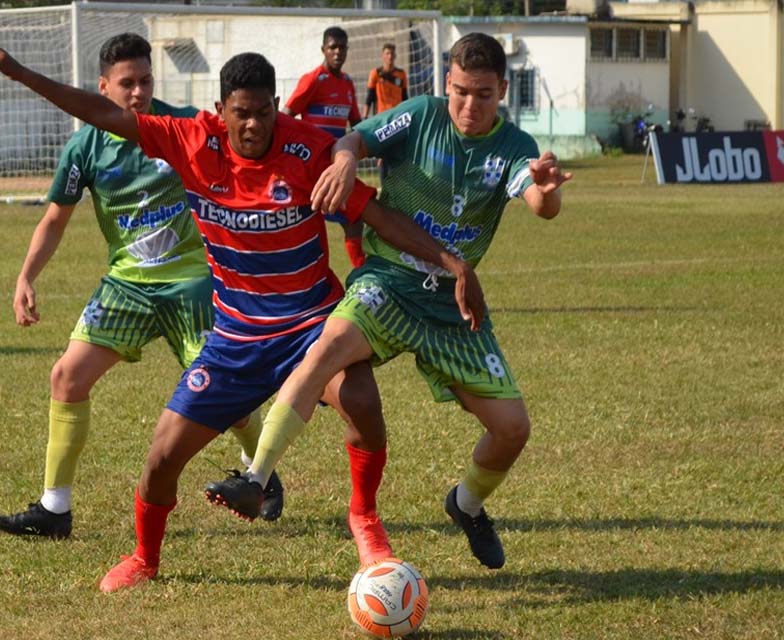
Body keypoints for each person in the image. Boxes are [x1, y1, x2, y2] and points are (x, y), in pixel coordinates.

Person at [0, 36, 482, 591]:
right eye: (242, 114)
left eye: (264, 113)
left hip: (310, 324)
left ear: (277, 107)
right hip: (233, 335)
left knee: (360, 398)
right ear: (220, 112)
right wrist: (19, 71)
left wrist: (454, 265)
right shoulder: (190, 140)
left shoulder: (308, 151)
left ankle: (365, 518)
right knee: (163, 457)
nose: (254, 125)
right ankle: (146, 557)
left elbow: (378, 215)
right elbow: (100, 112)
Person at [205, 32, 572, 571]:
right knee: (326, 347)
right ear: (447, 82)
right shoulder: (421, 115)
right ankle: (255, 478)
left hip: (453, 307)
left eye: (485, 95)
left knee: (513, 428)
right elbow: (354, 138)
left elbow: (541, 204)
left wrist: (547, 186)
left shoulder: (513, 146)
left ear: (502, 93)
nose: (471, 106)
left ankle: (466, 505)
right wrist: (347, 160)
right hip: (389, 281)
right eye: (462, 92)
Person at [0, 33, 284, 540]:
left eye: (145, 80)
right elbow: (55, 219)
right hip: (128, 286)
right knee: (67, 377)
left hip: (193, 284)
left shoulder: (184, 126)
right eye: (127, 83)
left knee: (226, 399)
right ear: (104, 86)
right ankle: (55, 509)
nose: (139, 92)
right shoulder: (86, 147)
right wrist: (25, 277)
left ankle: (262, 471)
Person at [283, 26, 366, 269]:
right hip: (312, 169)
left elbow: (357, 123)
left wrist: (380, 146)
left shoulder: (347, 83)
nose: (338, 52)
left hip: (336, 168)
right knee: (313, 224)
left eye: (342, 47)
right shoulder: (313, 80)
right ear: (323, 50)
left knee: (354, 217)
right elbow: (287, 115)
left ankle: (360, 271)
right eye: (333, 47)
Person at [363, 43, 408, 120]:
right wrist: (365, 117)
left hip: (397, 115)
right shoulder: (376, 73)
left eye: (392, 53)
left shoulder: (401, 74)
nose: (390, 56)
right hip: (380, 115)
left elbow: (405, 97)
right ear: (382, 56)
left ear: (395, 56)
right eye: (387, 54)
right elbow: (369, 97)